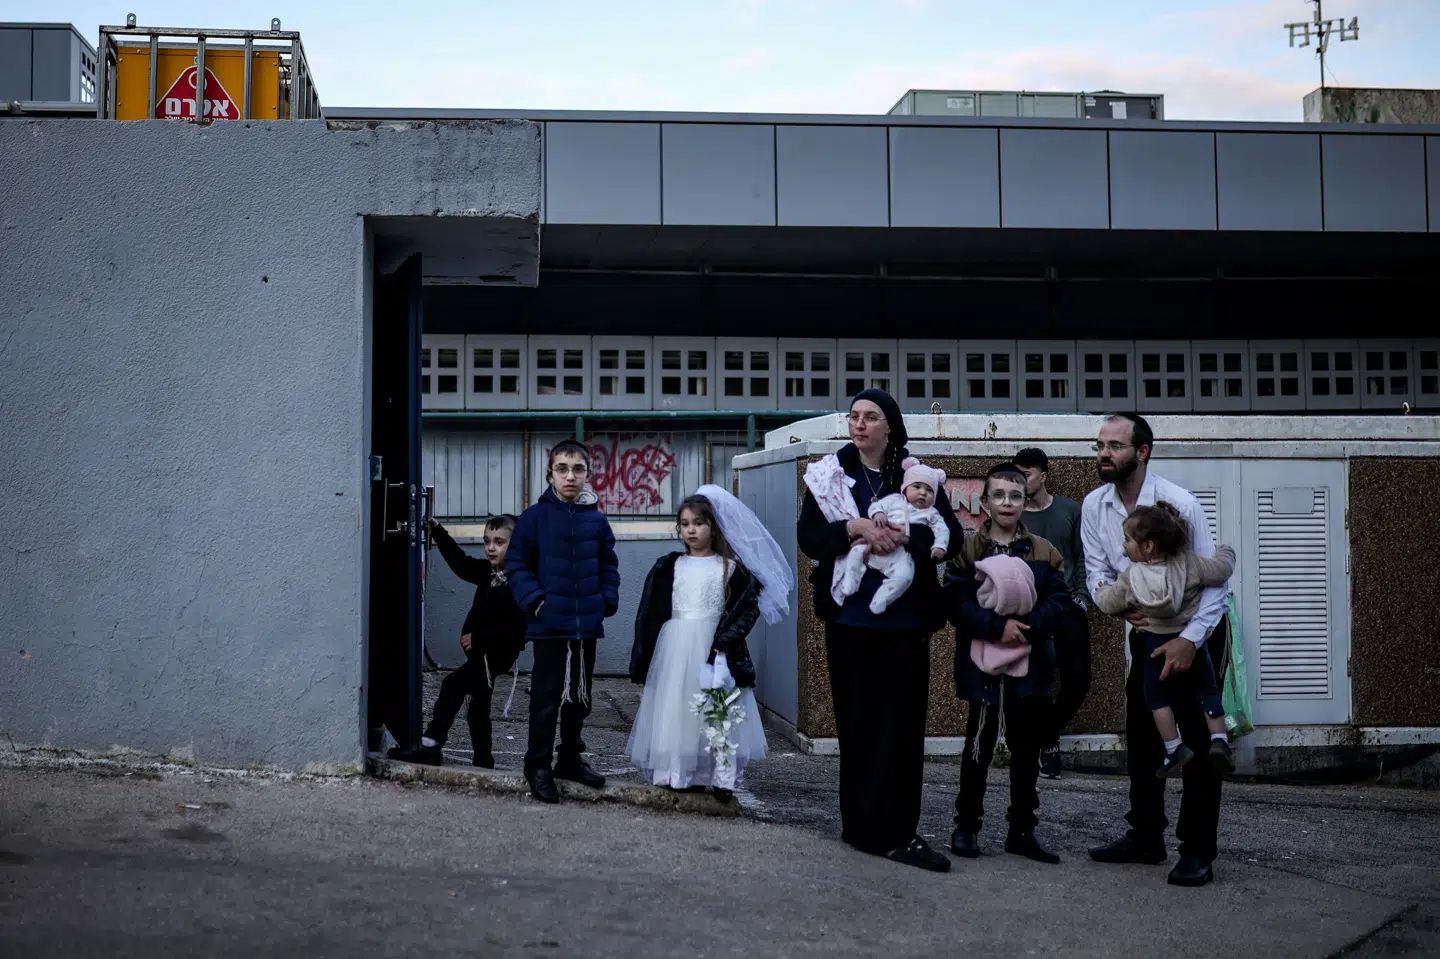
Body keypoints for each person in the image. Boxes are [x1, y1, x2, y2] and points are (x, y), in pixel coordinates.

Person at [797, 388, 963, 873]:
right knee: (857, 726)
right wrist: (855, 529)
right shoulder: (830, 475)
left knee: (901, 728)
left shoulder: (916, 475)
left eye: (871, 417)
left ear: (890, 426)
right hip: (849, 621)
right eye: (854, 416)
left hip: (905, 623)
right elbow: (810, 538)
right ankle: (861, 826)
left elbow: (950, 537)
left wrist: (904, 536)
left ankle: (898, 832)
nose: (860, 424)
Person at [1082, 413, 1228, 888]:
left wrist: (1189, 642)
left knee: (1199, 745)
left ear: (1142, 452)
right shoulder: (1095, 505)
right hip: (1148, 634)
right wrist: (1120, 608)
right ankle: (1146, 837)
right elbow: (1097, 572)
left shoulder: (1178, 503)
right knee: (1144, 735)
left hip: (1197, 633)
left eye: (1115, 446)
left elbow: (1213, 581)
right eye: (1100, 445)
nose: (1105, 453)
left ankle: (1197, 850)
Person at [945, 463, 1081, 865]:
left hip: (1031, 664)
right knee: (978, 746)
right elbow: (954, 601)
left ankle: (1022, 830)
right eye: (999, 495)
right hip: (982, 666)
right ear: (985, 501)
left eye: (1016, 495)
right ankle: (967, 826)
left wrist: (1027, 628)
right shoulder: (968, 549)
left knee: (1026, 749)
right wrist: (995, 627)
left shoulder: (1044, 551)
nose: (1007, 502)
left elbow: (1059, 601)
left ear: (1025, 501)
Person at [628, 486, 792, 795]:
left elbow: (747, 610)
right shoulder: (670, 566)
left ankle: (719, 777)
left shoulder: (729, 568)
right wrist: (643, 658)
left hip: (715, 650)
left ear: (714, 527)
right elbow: (649, 612)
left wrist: (726, 642)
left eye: (699, 523)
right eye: (685, 523)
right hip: (676, 647)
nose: (691, 530)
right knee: (677, 709)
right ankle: (677, 772)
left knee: (717, 712)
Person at [507, 440, 620, 804]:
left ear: (588, 474)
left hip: (585, 626)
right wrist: (535, 601)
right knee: (547, 697)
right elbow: (516, 564)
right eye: (562, 469)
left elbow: (608, 565)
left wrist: (606, 600)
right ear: (550, 474)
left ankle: (569, 759)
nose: (570, 476)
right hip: (550, 625)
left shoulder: (596, 520)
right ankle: (537, 765)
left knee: (580, 698)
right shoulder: (534, 518)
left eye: (577, 469)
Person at [1093, 503, 1237, 777]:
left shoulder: (1131, 579)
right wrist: (1225, 551)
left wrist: (1101, 589)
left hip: (1153, 645)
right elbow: (1221, 570)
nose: (1124, 546)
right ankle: (1219, 740)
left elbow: (1109, 603)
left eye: (1127, 540)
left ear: (1147, 546)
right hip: (1190, 644)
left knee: (1156, 697)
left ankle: (1173, 747)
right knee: (1207, 690)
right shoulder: (1190, 565)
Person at [391, 515, 525, 768]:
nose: (491, 548)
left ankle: (431, 743)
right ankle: (483, 760)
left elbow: (517, 627)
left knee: (453, 684)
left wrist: (480, 639)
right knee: (478, 706)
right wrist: (438, 531)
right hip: (480, 654)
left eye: (499, 542)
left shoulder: (519, 581)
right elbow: (461, 563)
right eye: (486, 541)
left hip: (494, 655)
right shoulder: (489, 572)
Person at [1013, 447, 1092, 781]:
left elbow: (1083, 556)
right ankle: (1049, 748)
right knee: (1040, 680)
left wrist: (1081, 598)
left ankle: (1048, 733)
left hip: (1068, 606)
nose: (1019, 482)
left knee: (1079, 678)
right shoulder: (1014, 514)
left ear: (1043, 476)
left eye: (1026, 474)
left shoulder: (1070, 510)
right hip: (1031, 609)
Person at [834, 457, 949, 615]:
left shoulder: (932, 513)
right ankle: (850, 581)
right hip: (872, 548)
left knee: (905, 576)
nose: (923, 493)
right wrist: (878, 514)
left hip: (901, 555)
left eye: (929, 490)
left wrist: (939, 546)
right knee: (856, 552)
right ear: (905, 488)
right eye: (917, 487)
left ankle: (881, 599)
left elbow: (943, 530)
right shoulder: (894, 500)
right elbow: (877, 505)